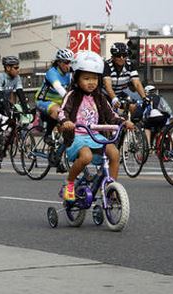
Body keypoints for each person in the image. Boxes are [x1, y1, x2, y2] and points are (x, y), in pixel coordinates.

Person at [59, 51, 134, 202]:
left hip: (94, 136)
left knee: (114, 153)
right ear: (77, 78)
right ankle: (70, 183)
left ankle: (111, 188)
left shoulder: (100, 97)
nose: (91, 82)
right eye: (86, 78)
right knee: (86, 156)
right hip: (77, 136)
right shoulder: (72, 95)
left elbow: (111, 115)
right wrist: (66, 122)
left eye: (94, 78)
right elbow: (63, 111)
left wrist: (123, 122)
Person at [0, 55, 30, 168]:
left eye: (18, 67)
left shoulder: (17, 78)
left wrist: (26, 109)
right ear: (8, 68)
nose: (18, 70)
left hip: (3, 100)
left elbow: (20, 94)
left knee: (14, 119)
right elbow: (0, 96)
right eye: (16, 67)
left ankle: (4, 141)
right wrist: (8, 111)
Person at [35, 48, 74, 172]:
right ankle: (47, 135)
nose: (69, 65)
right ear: (59, 62)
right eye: (66, 62)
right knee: (57, 111)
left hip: (59, 102)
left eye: (70, 62)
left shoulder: (70, 73)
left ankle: (57, 157)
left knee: (68, 128)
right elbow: (60, 89)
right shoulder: (52, 73)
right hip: (43, 101)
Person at [103, 42, 147, 117]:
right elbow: (108, 87)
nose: (121, 58)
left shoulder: (130, 65)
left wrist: (144, 98)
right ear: (113, 56)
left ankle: (130, 124)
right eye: (118, 56)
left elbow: (137, 83)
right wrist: (114, 98)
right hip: (105, 94)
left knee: (132, 106)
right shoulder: (107, 65)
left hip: (120, 93)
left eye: (124, 55)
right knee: (107, 113)